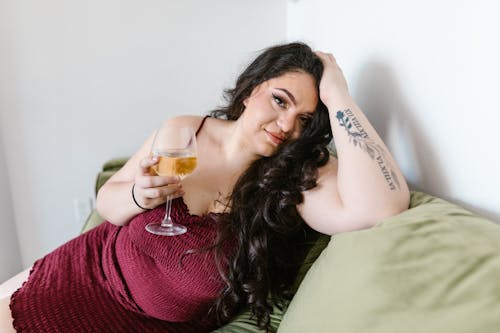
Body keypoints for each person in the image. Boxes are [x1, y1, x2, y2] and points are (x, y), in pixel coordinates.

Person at [0, 42, 410, 332]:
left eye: (305, 119)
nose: (287, 126)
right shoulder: (185, 130)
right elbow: (109, 202)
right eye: (281, 101)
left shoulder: (295, 179)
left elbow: (382, 206)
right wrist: (136, 196)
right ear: (251, 91)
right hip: (83, 270)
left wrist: (339, 98)